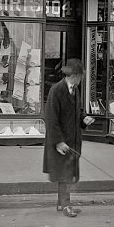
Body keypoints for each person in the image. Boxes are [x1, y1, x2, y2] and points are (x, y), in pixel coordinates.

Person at [43, 58, 94, 217]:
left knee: (66, 172)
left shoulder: (75, 90)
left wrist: (84, 119)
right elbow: (51, 118)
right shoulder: (57, 90)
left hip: (72, 140)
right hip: (62, 141)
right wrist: (58, 142)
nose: (81, 79)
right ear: (75, 76)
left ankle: (62, 204)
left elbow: (77, 111)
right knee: (64, 174)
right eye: (81, 76)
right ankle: (66, 206)